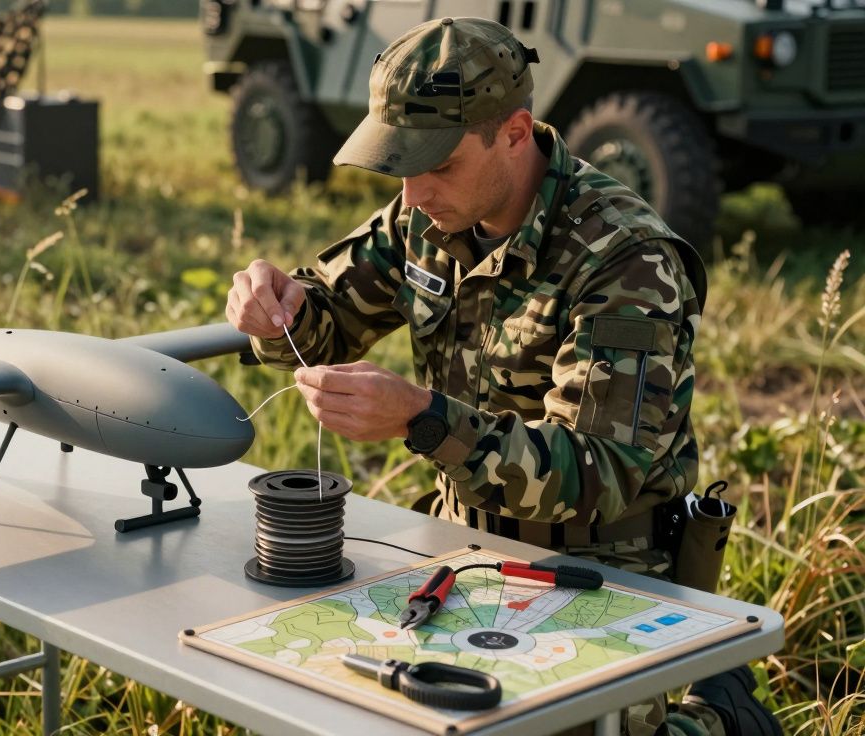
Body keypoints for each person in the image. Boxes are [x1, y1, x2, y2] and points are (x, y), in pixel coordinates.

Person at [225, 17, 780, 736]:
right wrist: (280, 312)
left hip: (602, 565)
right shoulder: (424, 214)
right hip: (463, 551)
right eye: (400, 164)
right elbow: (329, 318)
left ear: (515, 133)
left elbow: (597, 472)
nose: (415, 191)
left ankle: (720, 721)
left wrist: (422, 418)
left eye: (439, 164)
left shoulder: (623, 258)